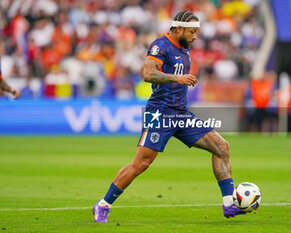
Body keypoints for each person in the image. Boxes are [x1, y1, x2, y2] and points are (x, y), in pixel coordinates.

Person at [92, 10, 248, 223]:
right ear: (179, 28)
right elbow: (148, 74)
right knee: (141, 164)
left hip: (181, 114)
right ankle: (103, 205)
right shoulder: (160, 45)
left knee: (222, 147)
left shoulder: (185, 48)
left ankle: (229, 204)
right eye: (192, 32)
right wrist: (178, 78)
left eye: (197, 32)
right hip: (159, 113)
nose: (195, 36)